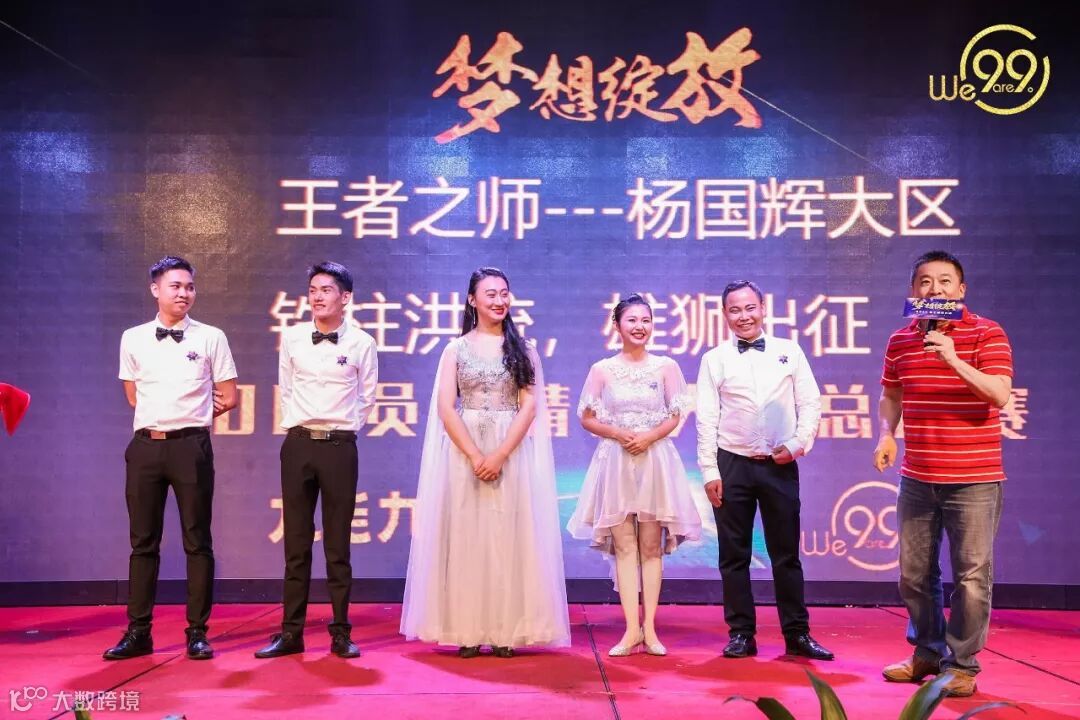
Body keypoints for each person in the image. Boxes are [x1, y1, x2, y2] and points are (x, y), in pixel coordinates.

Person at [400, 267, 571, 658]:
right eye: (490, 294)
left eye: (504, 293)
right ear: (472, 300)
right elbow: (446, 406)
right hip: (465, 450)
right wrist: (477, 455)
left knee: (509, 537)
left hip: (511, 449)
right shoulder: (455, 349)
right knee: (467, 537)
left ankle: (507, 630)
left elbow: (529, 406)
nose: (499, 300)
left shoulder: (523, 349)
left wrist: (500, 454)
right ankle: (467, 629)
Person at [874, 251, 1013, 697]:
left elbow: (999, 394)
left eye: (945, 281)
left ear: (961, 289)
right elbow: (892, 393)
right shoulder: (900, 339)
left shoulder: (987, 332)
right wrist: (886, 434)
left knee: (971, 578)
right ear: (913, 290)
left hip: (974, 479)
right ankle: (927, 652)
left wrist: (953, 359)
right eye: (925, 281)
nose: (934, 289)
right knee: (914, 575)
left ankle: (962, 665)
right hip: (917, 477)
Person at [105, 255, 237, 661]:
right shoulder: (133, 338)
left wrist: (194, 416)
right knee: (143, 542)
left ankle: (197, 632)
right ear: (155, 289)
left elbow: (230, 395)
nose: (184, 293)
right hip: (146, 446)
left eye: (189, 287)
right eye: (175, 286)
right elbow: (133, 396)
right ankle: (138, 632)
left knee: (198, 541)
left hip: (190, 446)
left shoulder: (211, 336)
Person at [695, 280, 833, 661]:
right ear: (725, 315)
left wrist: (798, 443)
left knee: (785, 555)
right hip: (732, 464)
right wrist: (709, 471)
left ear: (763, 308)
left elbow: (810, 402)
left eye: (750, 308)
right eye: (735, 310)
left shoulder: (790, 351)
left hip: (779, 465)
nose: (744, 316)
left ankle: (797, 634)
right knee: (733, 556)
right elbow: (706, 418)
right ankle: (741, 633)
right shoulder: (714, 359)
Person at [255, 261, 378, 659]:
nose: (318, 297)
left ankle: (341, 633)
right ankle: (291, 633)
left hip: (340, 448)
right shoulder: (292, 338)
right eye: (313, 290)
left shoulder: (362, 343)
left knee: (338, 546)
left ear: (345, 297)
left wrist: (341, 427)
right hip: (299, 445)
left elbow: (367, 397)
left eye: (326, 290)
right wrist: (303, 424)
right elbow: (286, 389)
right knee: (296, 544)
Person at [567, 293, 701, 656]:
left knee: (651, 547)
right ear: (617, 325)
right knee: (625, 547)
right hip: (616, 461)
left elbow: (676, 414)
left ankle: (650, 630)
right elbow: (586, 416)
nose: (640, 327)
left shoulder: (666, 366)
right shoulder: (602, 369)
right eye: (632, 320)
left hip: (655, 460)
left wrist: (649, 437)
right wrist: (617, 432)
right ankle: (630, 631)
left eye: (646, 320)